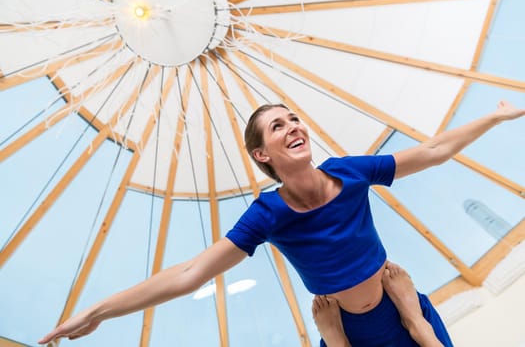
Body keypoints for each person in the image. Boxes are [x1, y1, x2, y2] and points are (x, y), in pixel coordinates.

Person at [39, 100, 525, 346]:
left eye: (294, 119)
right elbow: (188, 274)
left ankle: (412, 323)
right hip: (347, 333)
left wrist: (496, 118)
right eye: (278, 127)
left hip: (403, 310)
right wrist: (100, 311)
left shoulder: (349, 172)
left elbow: (434, 151)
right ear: (262, 154)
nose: (293, 127)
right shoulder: (267, 215)